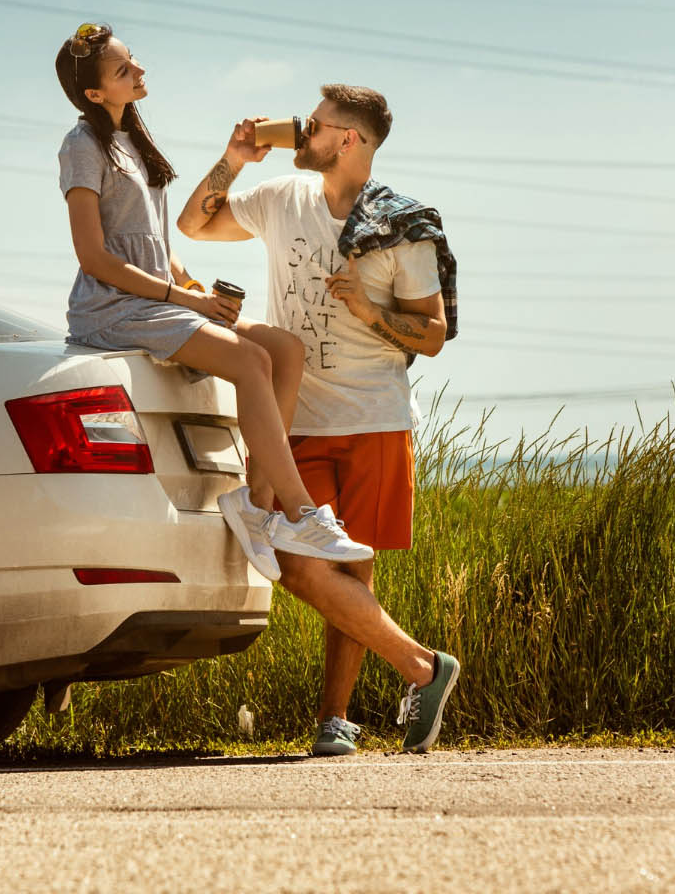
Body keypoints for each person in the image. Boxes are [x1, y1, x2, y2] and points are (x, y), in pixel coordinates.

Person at [176, 84, 461, 754]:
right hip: (293, 420)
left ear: (350, 141)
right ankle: (423, 666)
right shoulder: (281, 197)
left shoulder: (401, 225)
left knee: (349, 577)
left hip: (373, 417)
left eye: (319, 125)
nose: (304, 132)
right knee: (298, 565)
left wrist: (370, 313)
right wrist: (234, 157)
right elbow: (194, 224)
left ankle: (335, 723)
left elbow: (433, 334)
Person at [54, 24, 373, 564]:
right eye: (123, 70)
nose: (139, 71)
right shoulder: (81, 145)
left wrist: (192, 285)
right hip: (112, 307)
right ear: (94, 94)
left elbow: (151, 236)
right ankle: (302, 515)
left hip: (157, 300)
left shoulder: (133, 139)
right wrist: (185, 302)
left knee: (285, 350)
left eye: (134, 61)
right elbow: (96, 257)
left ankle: (256, 505)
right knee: (251, 362)